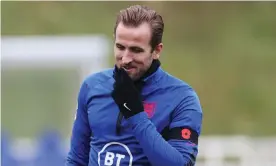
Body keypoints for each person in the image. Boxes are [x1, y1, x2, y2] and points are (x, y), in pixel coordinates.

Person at [66, 5, 203, 166]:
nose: (125, 59)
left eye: (136, 50)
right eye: (120, 47)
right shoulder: (92, 87)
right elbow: (76, 160)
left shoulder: (182, 98)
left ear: (156, 50)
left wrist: (135, 113)